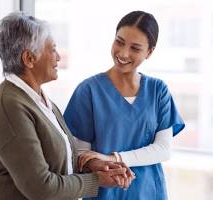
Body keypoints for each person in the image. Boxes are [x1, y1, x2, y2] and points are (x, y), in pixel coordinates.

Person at [0, 11, 135, 200]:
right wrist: (96, 180)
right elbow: (42, 189)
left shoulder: (38, 99)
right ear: (29, 59)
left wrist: (90, 165)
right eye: (52, 49)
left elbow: (58, 158)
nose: (58, 57)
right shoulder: (10, 107)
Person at [64, 10, 185, 200]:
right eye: (119, 42)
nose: (123, 53)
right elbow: (81, 155)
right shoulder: (88, 91)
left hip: (149, 192)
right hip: (104, 193)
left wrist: (114, 158)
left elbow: (163, 149)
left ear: (149, 52)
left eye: (135, 48)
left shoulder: (158, 90)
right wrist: (102, 164)